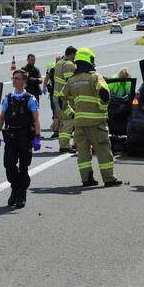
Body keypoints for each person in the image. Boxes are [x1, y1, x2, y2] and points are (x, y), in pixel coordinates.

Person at [61, 47, 120, 187]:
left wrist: (71, 114)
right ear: (89, 60)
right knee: (103, 150)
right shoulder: (94, 76)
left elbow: (60, 99)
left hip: (79, 123)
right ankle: (109, 179)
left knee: (83, 153)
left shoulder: (72, 80)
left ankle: (87, 179)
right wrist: (102, 109)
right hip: (96, 122)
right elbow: (105, 94)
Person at [0, 69, 41, 209]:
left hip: (25, 137)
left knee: (23, 167)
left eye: (17, 78)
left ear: (24, 82)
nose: (14, 80)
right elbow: (1, 117)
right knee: (9, 165)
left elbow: (36, 119)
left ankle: (21, 193)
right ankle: (14, 188)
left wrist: (37, 137)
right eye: (13, 78)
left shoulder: (30, 98)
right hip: (11, 137)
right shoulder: (8, 98)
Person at [53, 46, 78, 152]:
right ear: (71, 54)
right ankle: (64, 145)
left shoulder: (59, 63)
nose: (75, 58)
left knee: (64, 121)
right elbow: (70, 82)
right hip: (64, 99)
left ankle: (65, 143)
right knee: (69, 120)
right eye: (75, 56)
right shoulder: (69, 65)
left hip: (57, 97)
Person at [44, 58, 58, 138]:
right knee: (55, 112)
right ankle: (56, 130)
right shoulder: (52, 70)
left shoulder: (65, 69)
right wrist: (44, 87)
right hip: (54, 94)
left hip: (62, 95)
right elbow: (47, 77)